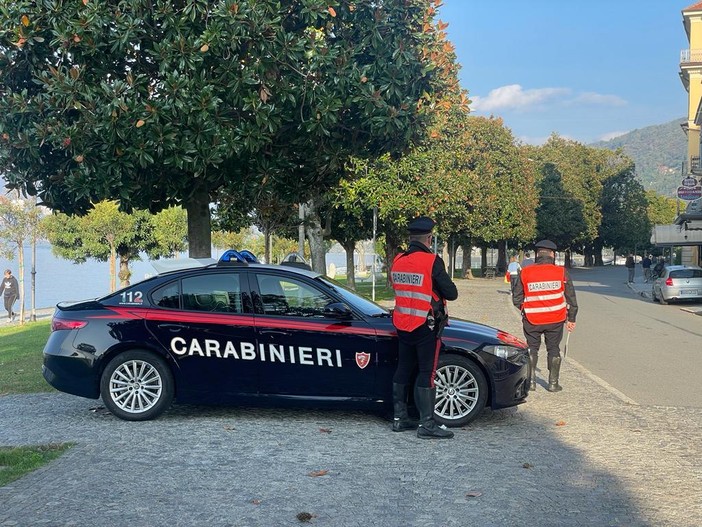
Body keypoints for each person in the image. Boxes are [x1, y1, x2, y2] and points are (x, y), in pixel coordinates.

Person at [390, 216, 458, 439]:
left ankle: (400, 418)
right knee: (427, 372)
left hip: (402, 323)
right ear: (429, 238)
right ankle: (426, 424)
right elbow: (451, 293)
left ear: (411, 238)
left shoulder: (398, 259)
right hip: (425, 325)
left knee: (404, 368)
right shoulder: (431, 261)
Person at [512, 240, 578, 393]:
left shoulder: (525, 272)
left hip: (532, 318)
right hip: (556, 318)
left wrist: (524, 309)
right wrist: (572, 318)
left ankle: (532, 381)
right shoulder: (561, 272)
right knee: (553, 349)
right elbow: (571, 298)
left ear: (537, 254)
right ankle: (553, 383)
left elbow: (517, 298)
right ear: (553, 255)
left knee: (532, 348)